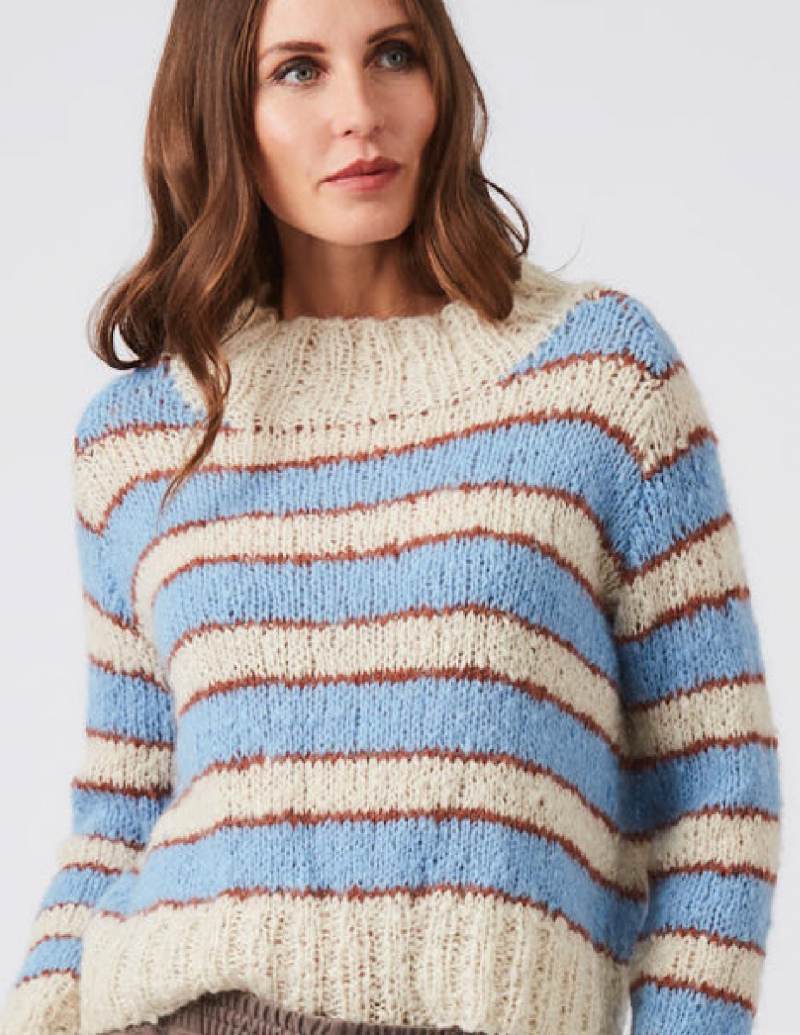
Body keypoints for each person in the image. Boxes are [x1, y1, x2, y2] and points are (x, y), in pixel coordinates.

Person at [0, 0, 783, 1033]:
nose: (359, 112)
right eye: (297, 69)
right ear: (220, 110)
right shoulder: (141, 436)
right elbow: (118, 815)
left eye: (393, 54)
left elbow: (716, 795)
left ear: (439, 81)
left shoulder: (599, 377)